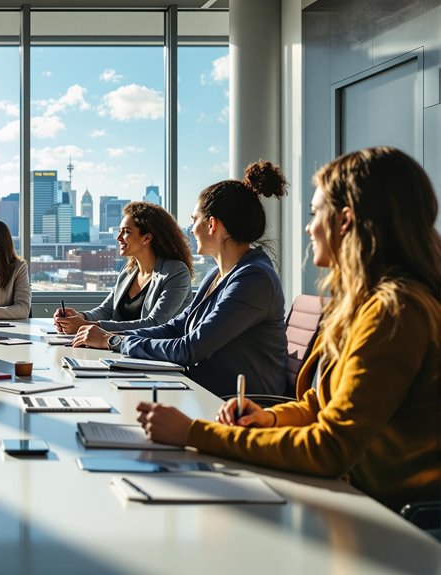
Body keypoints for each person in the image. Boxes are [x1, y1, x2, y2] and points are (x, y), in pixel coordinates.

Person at [137, 147, 441, 511]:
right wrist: (268, 417)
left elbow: (331, 448)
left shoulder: (394, 311)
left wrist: (193, 433)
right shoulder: (366, 303)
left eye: (315, 214)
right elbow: (323, 404)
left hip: (382, 521)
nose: (309, 227)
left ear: (345, 221)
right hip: (350, 499)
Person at [73, 161, 289, 396]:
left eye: (194, 219)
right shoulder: (216, 275)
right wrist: (110, 337)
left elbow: (190, 348)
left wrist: (114, 342)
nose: (192, 227)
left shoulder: (253, 280)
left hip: (236, 404)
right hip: (201, 389)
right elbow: (177, 327)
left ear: (212, 224)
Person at [54, 201, 192, 333]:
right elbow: (107, 310)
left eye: (126, 232)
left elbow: (154, 323)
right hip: (121, 349)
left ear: (146, 238)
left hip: (157, 352)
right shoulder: (128, 271)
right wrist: (79, 317)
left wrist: (87, 326)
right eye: (119, 231)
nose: (118, 237)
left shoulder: (176, 272)